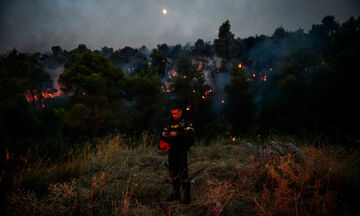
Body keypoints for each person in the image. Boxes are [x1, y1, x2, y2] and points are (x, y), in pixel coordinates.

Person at [160, 104, 194, 204]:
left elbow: (190, 137)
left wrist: (177, 134)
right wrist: (164, 134)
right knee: (173, 173)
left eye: (175, 113)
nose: (174, 115)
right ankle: (176, 195)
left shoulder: (187, 123)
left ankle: (187, 196)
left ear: (180, 112)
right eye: (172, 114)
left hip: (182, 151)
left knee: (183, 174)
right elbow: (163, 133)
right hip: (172, 151)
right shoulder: (170, 122)